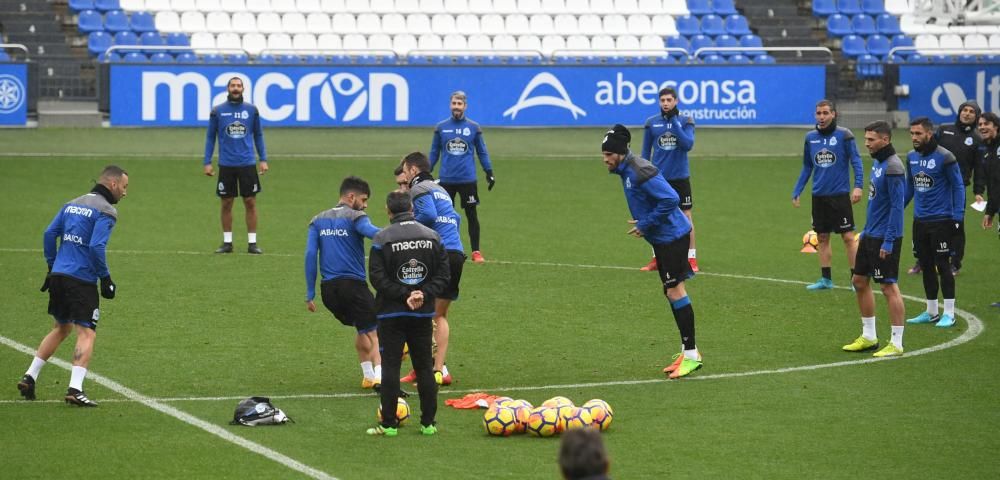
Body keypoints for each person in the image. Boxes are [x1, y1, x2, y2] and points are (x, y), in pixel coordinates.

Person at [17, 166, 129, 406]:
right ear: (112, 184)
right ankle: (75, 389)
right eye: (124, 186)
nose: (125, 192)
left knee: (61, 327)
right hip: (81, 279)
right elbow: (96, 247)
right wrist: (106, 278)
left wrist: (51, 266)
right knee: (86, 332)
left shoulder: (71, 204)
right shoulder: (106, 210)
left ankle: (30, 376)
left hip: (59, 274)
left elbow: (49, 234)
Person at [603, 124, 702, 378]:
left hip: (673, 236)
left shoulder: (639, 170)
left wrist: (646, 223)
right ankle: (686, 351)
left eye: (608, 155)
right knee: (671, 292)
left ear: (620, 153)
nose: (605, 159)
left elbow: (671, 198)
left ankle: (691, 354)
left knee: (674, 290)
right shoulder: (627, 169)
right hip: (664, 238)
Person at [366, 191, 451, 437]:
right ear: (412, 209)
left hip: (391, 314)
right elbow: (443, 276)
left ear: (388, 211)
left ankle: (390, 425)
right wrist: (422, 294)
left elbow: (377, 278)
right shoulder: (432, 236)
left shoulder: (382, 238)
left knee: (391, 367)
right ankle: (428, 424)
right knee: (425, 367)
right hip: (422, 315)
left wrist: (404, 294)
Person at [304, 176, 383, 390]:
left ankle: (367, 375)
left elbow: (311, 255)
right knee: (377, 331)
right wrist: (398, 234)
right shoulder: (356, 216)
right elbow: (372, 233)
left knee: (361, 328)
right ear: (351, 196)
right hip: (353, 286)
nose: (365, 205)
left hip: (329, 291)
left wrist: (310, 293)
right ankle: (380, 378)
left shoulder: (317, 220)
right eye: (364, 199)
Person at [397, 152, 466, 386]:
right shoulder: (441, 190)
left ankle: (432, 368)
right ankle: (435, 370)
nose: (404, 176)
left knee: (421, 312)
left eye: (405, 171)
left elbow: (427, 214)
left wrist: (407, 227)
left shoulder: (419, 188)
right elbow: (456, 218)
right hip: (456, 252)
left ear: (414, 170)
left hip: (438, 254)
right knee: (439, 314)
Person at [842, 121, 907, 358]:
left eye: (871, 140)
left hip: (885, 237)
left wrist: (889, 241)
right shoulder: (879, 163)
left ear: (885, 140)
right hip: (870, 235)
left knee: (888, 286)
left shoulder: (893, 167)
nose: (866, 143)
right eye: (866, 139)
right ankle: (869, 336)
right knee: (859, 280)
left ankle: (896, 343)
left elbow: (897, 208)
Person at [791, 99, 864, 290]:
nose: (821, 117)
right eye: (818, 113)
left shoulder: (845, 135)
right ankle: (826, 279)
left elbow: (856, 161)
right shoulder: (810, 138)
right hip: (819, 196)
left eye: (825, 113)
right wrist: (798, 189)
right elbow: (807, 166)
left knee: (848, 237)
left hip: (839, 195)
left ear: (834, 114)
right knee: (822, 237)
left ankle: (855, 279)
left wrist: (858, 186)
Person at [902, 117, 965, 328]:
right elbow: (910, 187)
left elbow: (958, 187)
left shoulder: (946, 158)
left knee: (943, 266)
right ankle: (931, 312)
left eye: (918, 134)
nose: (914, 138)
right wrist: (896, 208)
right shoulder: (911, 157)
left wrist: (958, 216)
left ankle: (949, 313)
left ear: (929, 134)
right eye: (912, 134)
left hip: (942, 221)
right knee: (926, 265)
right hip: (920, 222)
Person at [203, 76, 269, 255]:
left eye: (238, 85)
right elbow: (210, 137)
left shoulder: (251, 110)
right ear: (227, 88)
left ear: (243, 88)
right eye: (233, 85)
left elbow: (258, 135)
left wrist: (263, 159)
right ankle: (227, 243)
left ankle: (252, 243)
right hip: (226, 164)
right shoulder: (218, 111)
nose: (235, 88)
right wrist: (207, 161)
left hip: (247, 163)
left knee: (250, 202)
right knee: (226, 202)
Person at [429, 91, 494, 264]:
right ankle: (444, 249)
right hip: (446, 181)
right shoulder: (441, 127)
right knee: (443, 216)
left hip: (467, 180)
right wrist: (426, 172)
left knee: (471, 215)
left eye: (459, 104)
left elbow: (482, 151)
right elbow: (434, 152)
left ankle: (476, 252)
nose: (456, 107)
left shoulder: (473, 128)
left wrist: (489, 171)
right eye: (454, 103)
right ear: (450, 105)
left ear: (465, 106)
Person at [641, 87, 699, 272]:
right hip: (658, 179)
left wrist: (674, 120)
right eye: (662, 100)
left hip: (680, 178)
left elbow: (687, 144)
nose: (665, 103)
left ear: (676, 101)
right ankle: (657, 258)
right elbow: (644, 153)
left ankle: (691, 259)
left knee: (686, 217)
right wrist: (642, 176)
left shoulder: (686, 121)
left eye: (669, 100)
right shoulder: (651, 123)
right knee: (655, 217)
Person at [929, 101, 983, 274]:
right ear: (959, 112)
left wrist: (978, 191)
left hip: (957, 189)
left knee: (956, 225)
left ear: (976, 116)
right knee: (930, 223)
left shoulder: (977, 138)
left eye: (971, 112)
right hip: (936, 186)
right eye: (964, 110)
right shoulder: (944, 129)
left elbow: (979, 167)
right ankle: (924, 260)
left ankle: (955, 263)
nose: (966, 114)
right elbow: (929, 150)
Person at [977, 112, 1000, 307]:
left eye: (987, 124)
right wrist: (990, 211)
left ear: (996, 126)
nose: (982, 127)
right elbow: (994, 186)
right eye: (980, 124)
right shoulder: (989, 150)